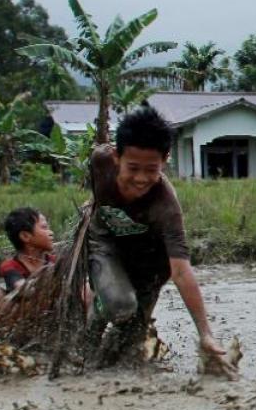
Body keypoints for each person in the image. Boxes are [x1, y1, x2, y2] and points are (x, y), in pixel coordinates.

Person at [84, 107, 233, 376]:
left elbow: (181, 272)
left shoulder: (166, 206)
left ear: (165, 160)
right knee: (120, 305)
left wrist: (205, 334)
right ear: (117, 157)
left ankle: (110, 375)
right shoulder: (100, 161)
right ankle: (84, 349)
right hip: (106, 243)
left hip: (150, 263)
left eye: (151, 169)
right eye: (133, 168)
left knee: (130, 340)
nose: (141, 179)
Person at [0, 207, 56, 313]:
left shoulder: (56, 261)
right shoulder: (10, 266)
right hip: (21, 313)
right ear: (25, 236)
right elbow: (22, 288)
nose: (51, 232)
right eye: (44, 228)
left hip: (52, 310)